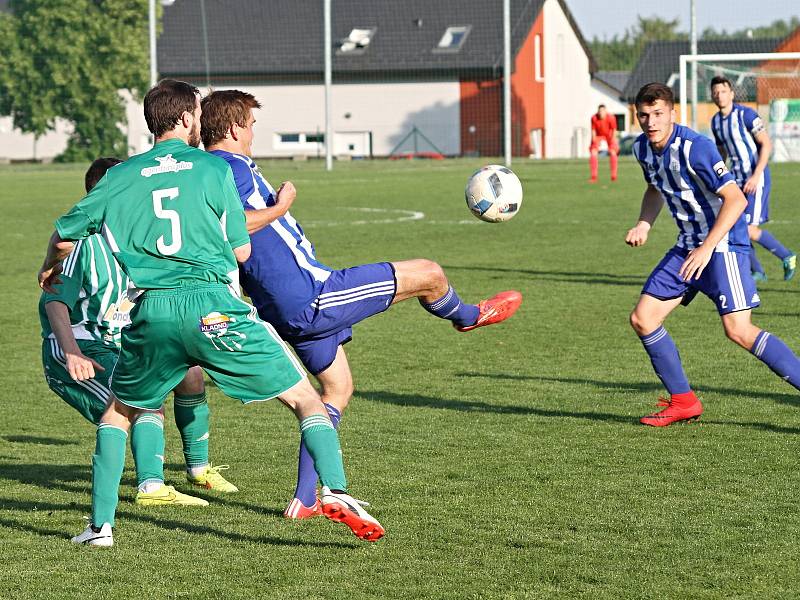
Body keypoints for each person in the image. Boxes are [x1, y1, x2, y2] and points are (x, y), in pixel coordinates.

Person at [38, 79, 384, 547]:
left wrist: (48, 266)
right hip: (212, 307)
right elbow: (241, 251)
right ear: (185, 119)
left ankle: (100, 528)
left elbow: (64, 235)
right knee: (306, 399)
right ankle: (337, 491)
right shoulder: (212, 168)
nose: (200, 121)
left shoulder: (119, 177)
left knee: (118, 416)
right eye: (197, 114)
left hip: (152, 312)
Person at [199, 89, 523, 518]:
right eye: (252, 124)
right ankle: (469, 316)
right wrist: (281, 207)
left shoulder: (210, 170)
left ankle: (305, 498)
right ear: (236, 126)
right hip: (311, 295)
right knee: (429, 273)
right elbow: (233, 225)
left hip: (282, 306)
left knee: (336, 390)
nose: (255, 131)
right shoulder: (229, 167)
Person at [41, 157, 237, 500]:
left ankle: (198, 469)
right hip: (81, 346)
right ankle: (151, 486)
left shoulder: (140, 236)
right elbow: (54, 302)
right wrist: (71, 353)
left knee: (189, 373)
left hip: (124, 343)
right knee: (144, 403)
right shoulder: (81, 244)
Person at [626, 82, 800, 427]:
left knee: (738, 329)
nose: (651, 122)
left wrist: (707, 248)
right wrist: (644, 223)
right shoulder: (641, 149)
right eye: (644, 115)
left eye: (658, 114)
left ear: (672, 113)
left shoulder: (696, 147)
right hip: (688, 246)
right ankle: (684, 401)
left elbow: (736, 199)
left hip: (722, 246)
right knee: (644, 318)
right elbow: (654, 187)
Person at [709, 76, 795, 281]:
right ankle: (757, 271)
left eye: (723, 91)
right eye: (715, 92)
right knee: (733, 226)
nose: (719, 95)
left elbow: (767, 144)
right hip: (736, 180)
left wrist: (756, 176)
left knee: (747, 228)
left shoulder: (746, 115)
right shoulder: (716, 122)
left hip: (756, 178)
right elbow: (722, 153)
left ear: (731, 93)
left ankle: (787, 255)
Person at [589, 104, 619, 183]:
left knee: (613, 153)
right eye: (599, 111)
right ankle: (594, 176)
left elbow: (614, 130)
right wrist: (594, 141)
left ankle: (614, 176)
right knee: (593, 153)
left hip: (608, 136)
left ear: (605, 111)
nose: (601, 113)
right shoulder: (594, 118)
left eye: (602, 111)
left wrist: (612, 141)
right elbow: (593, 131)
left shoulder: (611, 118)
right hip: (599, 136)